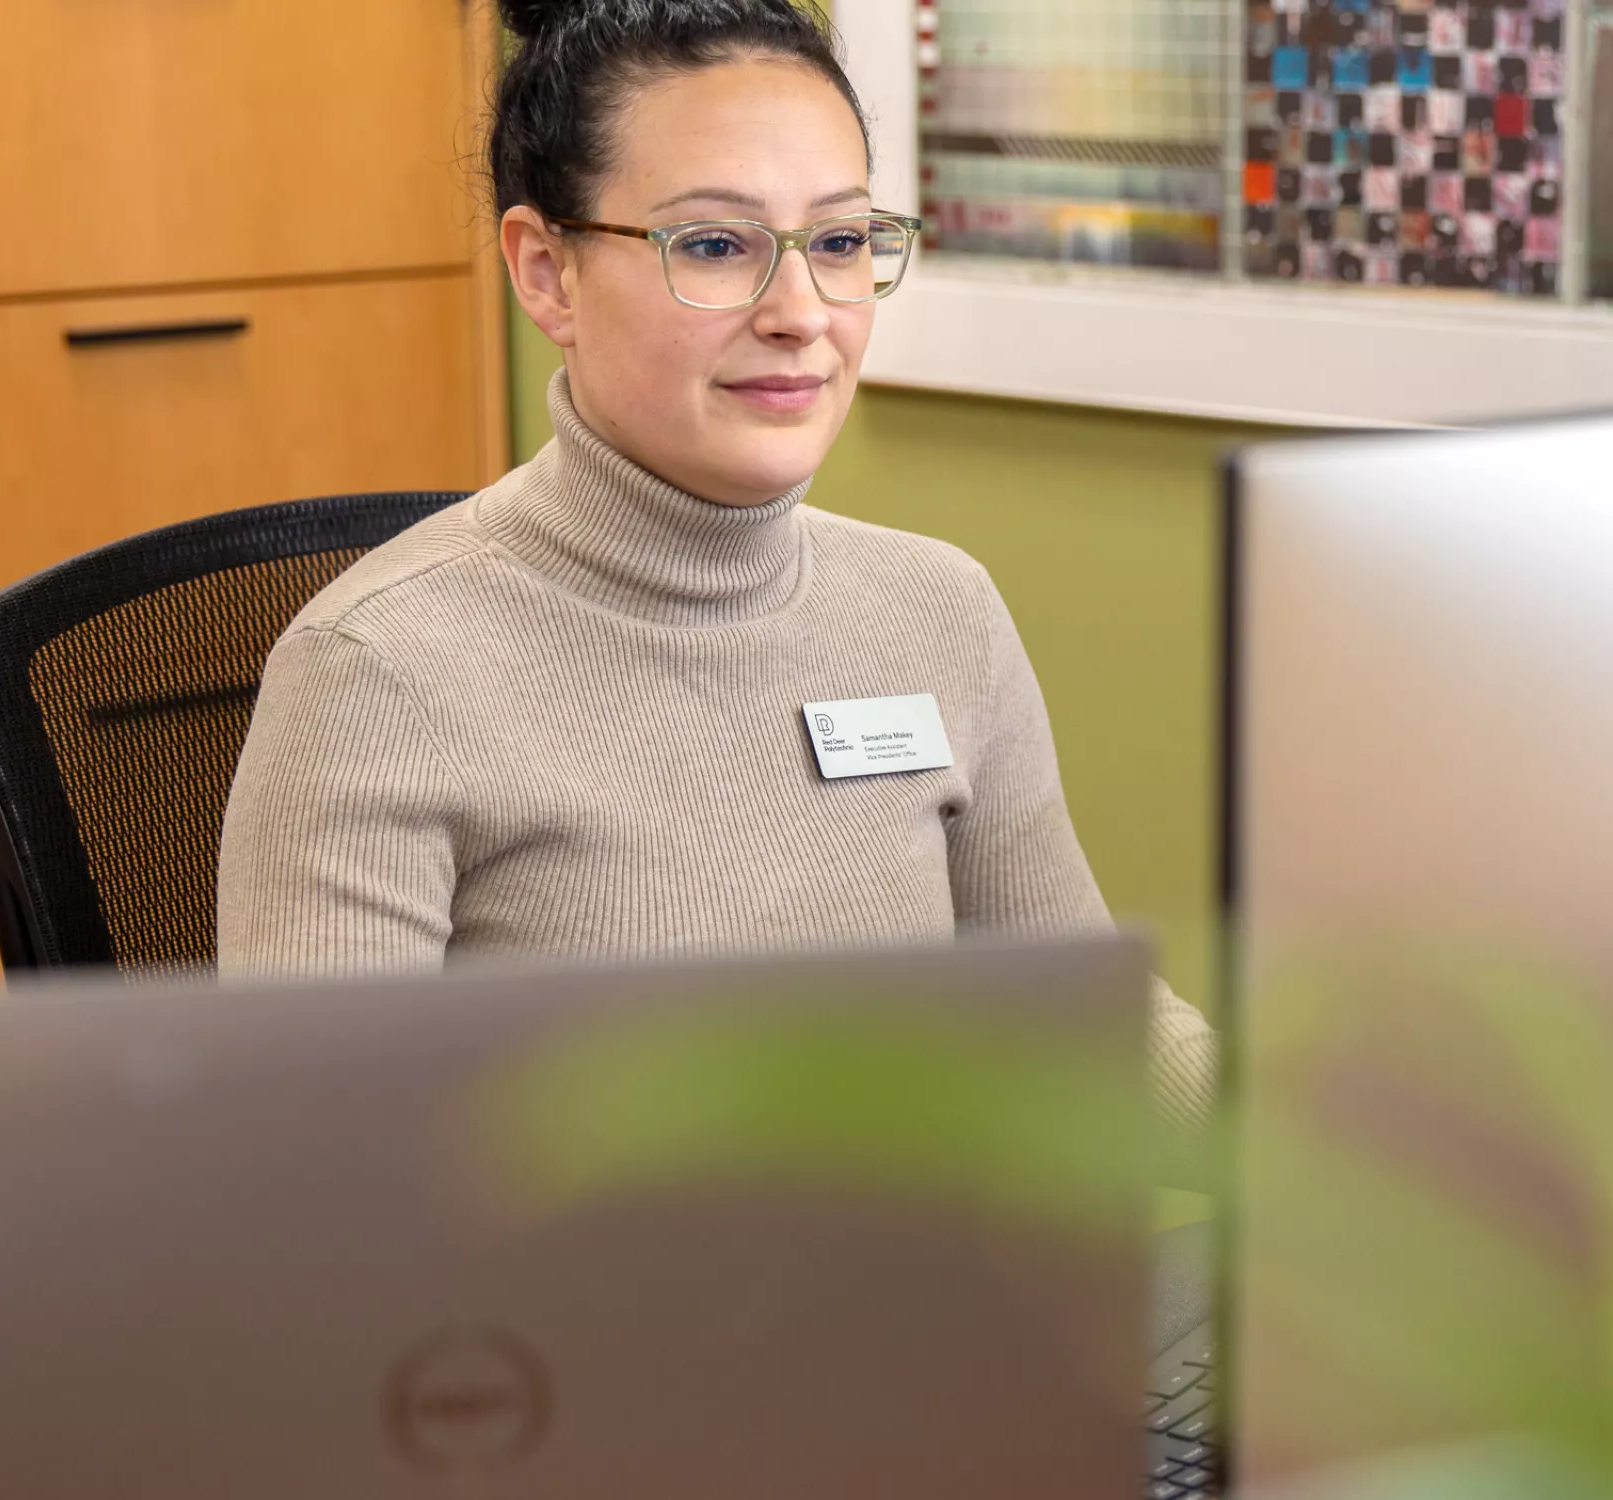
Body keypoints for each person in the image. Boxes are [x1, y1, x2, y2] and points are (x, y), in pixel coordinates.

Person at [214, 0, 1214, 1129]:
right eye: (713, 245)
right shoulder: (377, 672)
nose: (800, 314)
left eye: (837, 243)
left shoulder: (939, 610)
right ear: (547, 273)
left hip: (940, 1280)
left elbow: (1088, 1031)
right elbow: (319, 1204)